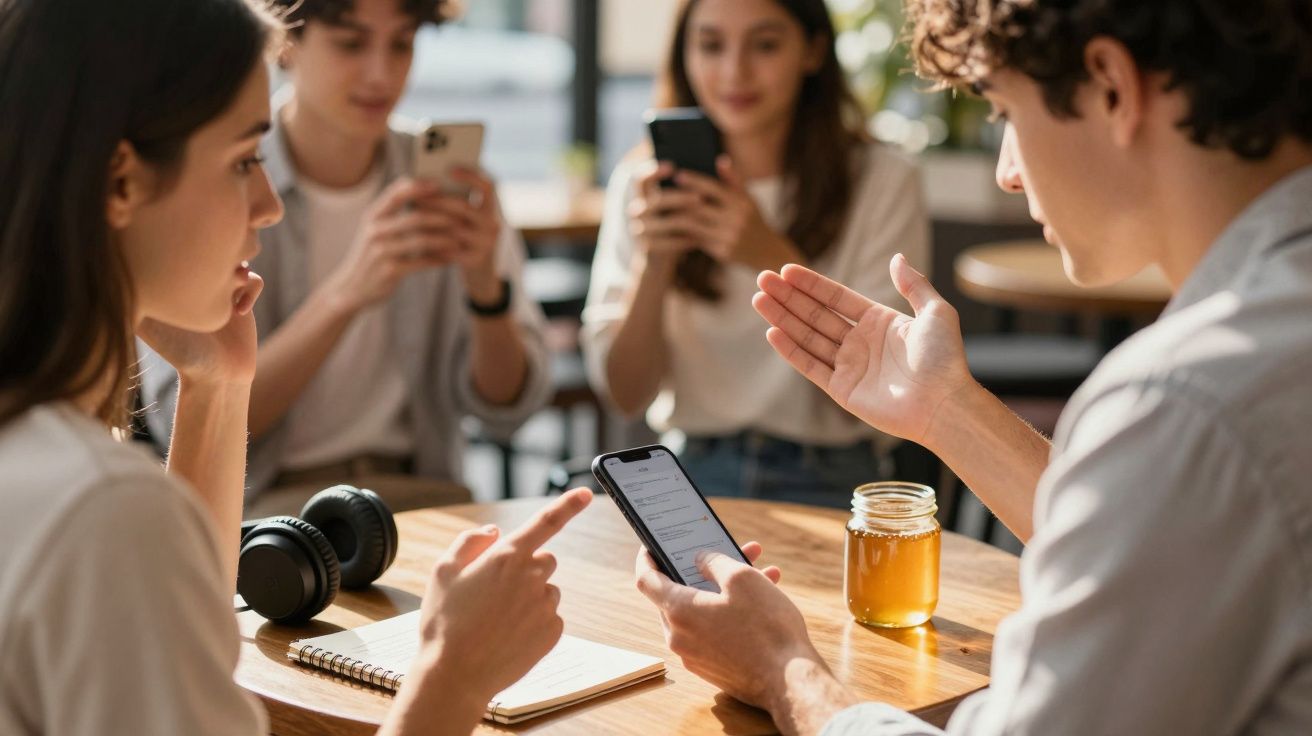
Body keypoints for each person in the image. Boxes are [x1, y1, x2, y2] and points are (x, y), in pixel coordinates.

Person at [634, 0, 1312, 733]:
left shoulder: (1185, 403)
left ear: (1111, 86)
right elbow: (1180, 553)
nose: (1007, 172)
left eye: (1003, 113)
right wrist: (945, 409)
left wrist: (783, 669)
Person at [0, 1, 592, 733]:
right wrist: (452, 676)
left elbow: (189, 633)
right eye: (246, 158)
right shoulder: (102, 511)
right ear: (121, 183)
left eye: (402, 44)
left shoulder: (54, 469)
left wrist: (219, 385)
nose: (269, 204)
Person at [139, 0, 552, 517]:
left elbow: (508, 409)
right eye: (351, 43)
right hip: (268, 507)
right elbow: (178, 418)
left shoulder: (445, 182)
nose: (381, 73)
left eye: (401, 44)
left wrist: (487, 289)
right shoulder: (224, 179)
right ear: (286, 42)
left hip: (422, 497)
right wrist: (348, 293)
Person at [582, 0, 930, 505]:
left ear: (812, 51)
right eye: (710, 45)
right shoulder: (643, 185)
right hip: (687, 469)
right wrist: (654, 266)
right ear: (684, 54)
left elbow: (883, 386)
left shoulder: (883, 180)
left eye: (765, 45)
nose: (733, 71)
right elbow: (625, 394)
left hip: (834, 473)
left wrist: (767, 255)